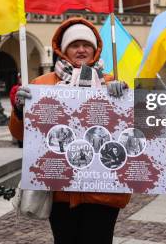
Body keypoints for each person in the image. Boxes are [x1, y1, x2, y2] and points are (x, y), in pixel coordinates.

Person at [8, 17, 130, 244]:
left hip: (103, 190)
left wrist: (122, 96)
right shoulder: (40, 85)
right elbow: (20, 135)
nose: (81, 49)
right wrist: (19, 110)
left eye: (86, 45)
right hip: (60, 190)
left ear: (95, 49)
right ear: (63, 50)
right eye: (74, 45)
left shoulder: (111, 83)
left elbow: (129, 132)